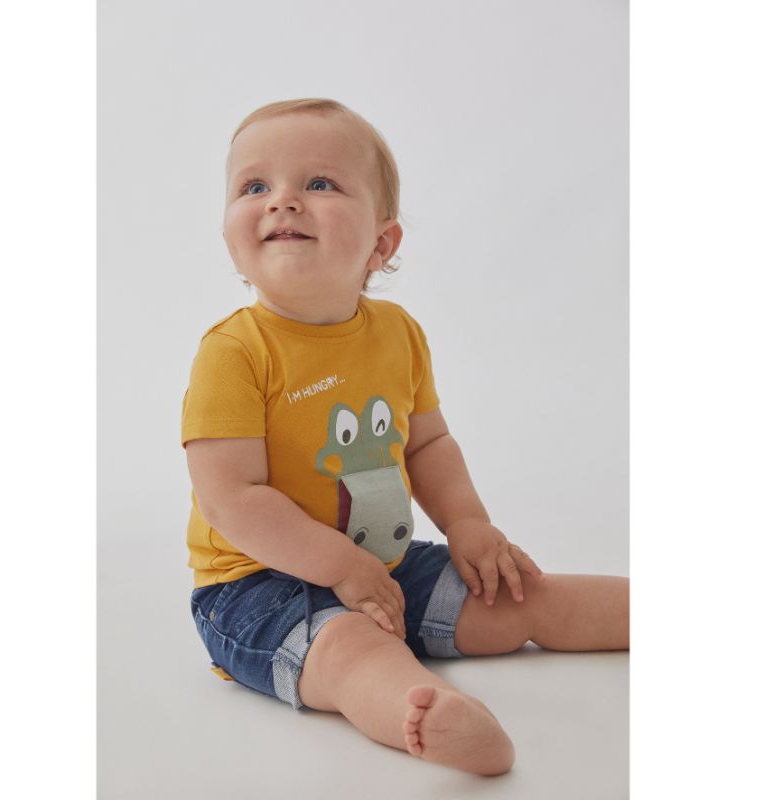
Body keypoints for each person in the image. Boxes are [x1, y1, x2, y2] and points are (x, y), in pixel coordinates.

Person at [182, 97, 629, 776]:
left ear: (381, 244)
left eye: (319, 183)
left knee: (516, 593)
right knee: (351, 650)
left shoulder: (398, 334)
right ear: (231, 240)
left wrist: (469, 524)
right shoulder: (235, 352)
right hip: (256, 587)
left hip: (380, 566)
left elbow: (426, 446)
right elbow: (231, 500)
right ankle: (427, 714)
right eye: (254, 186)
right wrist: (339, 569)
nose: (282, 201)